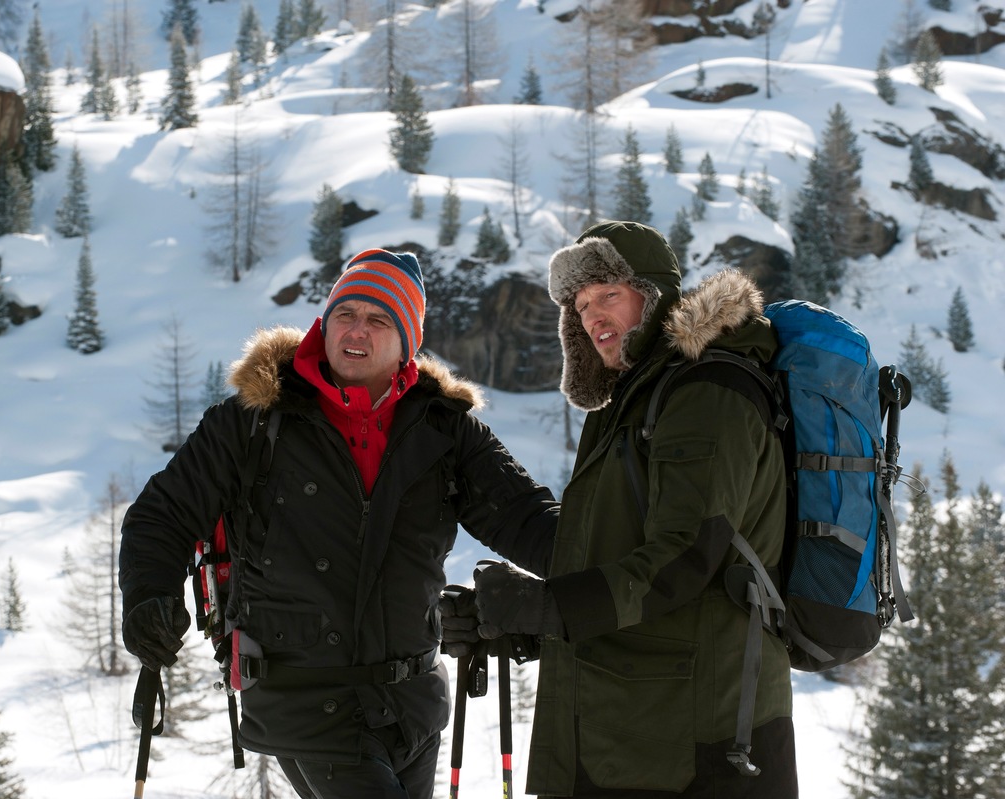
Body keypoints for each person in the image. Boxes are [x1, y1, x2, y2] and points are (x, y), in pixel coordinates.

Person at [118, 248, 558, 799]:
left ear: (407, 345)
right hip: (304, 702)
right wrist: (147, 597)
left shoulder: (445, 431)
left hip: (413, 705)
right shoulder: (254, 422)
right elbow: (162, 515)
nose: (357, 330)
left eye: (379, 320)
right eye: (345, 313)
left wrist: (616, 559)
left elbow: (528, 519)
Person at [444, 220, 796, 797]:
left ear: (653, 295)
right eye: (580, 306)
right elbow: (605, 554)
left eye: (609, 294)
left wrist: (546, 608)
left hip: (701, 742)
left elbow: (683, 557)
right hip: (632, 729)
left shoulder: (707, 390)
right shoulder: (634, 400)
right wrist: (513, 622)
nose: (593, 316)